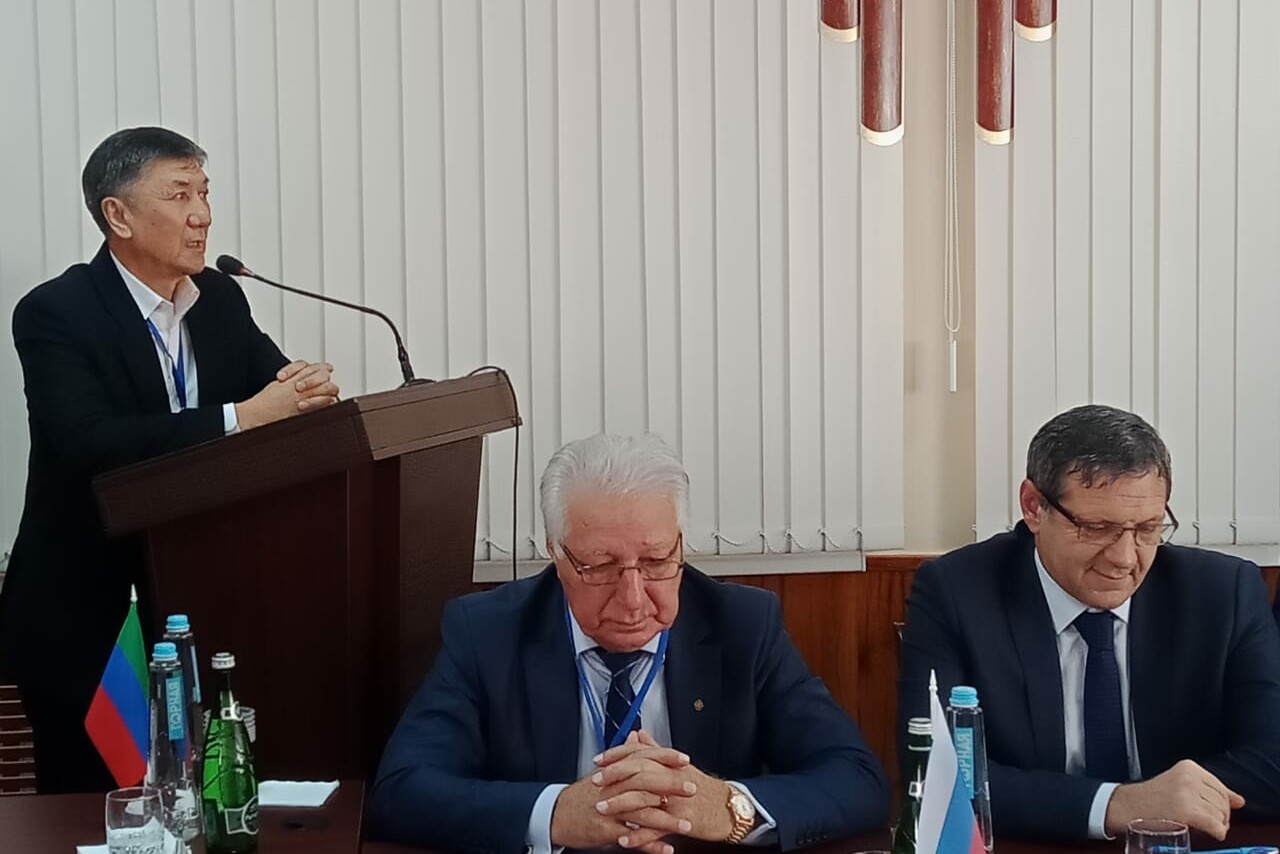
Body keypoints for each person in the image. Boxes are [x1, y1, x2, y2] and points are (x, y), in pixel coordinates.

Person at [0, 126, 339, 793]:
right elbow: (86, 443)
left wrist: (305, 391)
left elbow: (276, 399)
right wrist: (244, 416)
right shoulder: (56, 312)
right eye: (180, 194)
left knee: (210, 797)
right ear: (118, 215)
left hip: (207, 601)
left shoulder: (219, 300)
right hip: (91, 619)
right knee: (101, 811)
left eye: (204, 193)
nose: (202, 215)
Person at [369, 433, 889, 853]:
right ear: (556, 554)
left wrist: (726, 807)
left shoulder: (743, 625)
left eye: (658, 561)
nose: (634, 599)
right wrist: (554, 814)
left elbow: (858, 778)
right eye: (600, 566)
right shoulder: (488, 632)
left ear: (680, 544)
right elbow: (401, 789)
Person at [899, 404, 1280, 842]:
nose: (1125, 558)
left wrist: (1168, 804)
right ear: (1034, 507)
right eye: (1097, 528)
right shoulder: (956, 592)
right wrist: (1116, 805)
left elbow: (1273, 763)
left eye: (1148, 529)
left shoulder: (1223, 593)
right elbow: (936, 774)